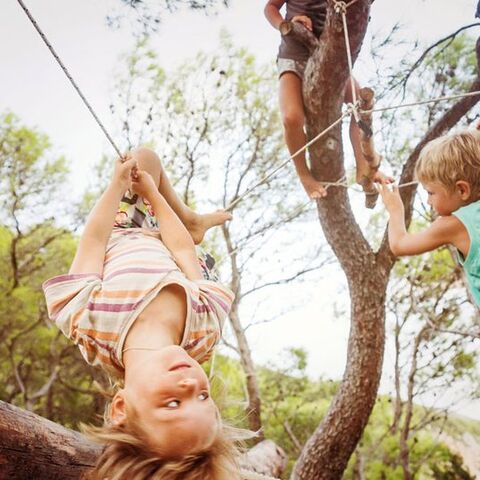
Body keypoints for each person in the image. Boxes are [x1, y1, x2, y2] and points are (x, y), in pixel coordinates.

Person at [43, 148, 248, 479]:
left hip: (120, 231)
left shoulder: (91, 322)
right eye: (203, 395)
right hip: (171, 240)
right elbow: (183, 251)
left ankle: (188, 217)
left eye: (172, 404)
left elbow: (94, 241)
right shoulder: (202, 328)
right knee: (149, 170)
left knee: (141, 159)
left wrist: (116, 186)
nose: (189, 382)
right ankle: (190, 221)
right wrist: (152, 194)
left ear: (122, 408)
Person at [264, 0, 391, 199]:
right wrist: (284, 25)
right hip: (294, 55)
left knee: (361, 104)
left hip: (329, 56)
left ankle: (363, 166)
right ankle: (304, 175)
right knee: (291, 118)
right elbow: (270, 7)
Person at [378, 129, 480, 307]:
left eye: (431, 192)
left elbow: (399, 244)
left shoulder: (454, 224)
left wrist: (395, 210)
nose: (428, 201)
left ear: (462, 190)